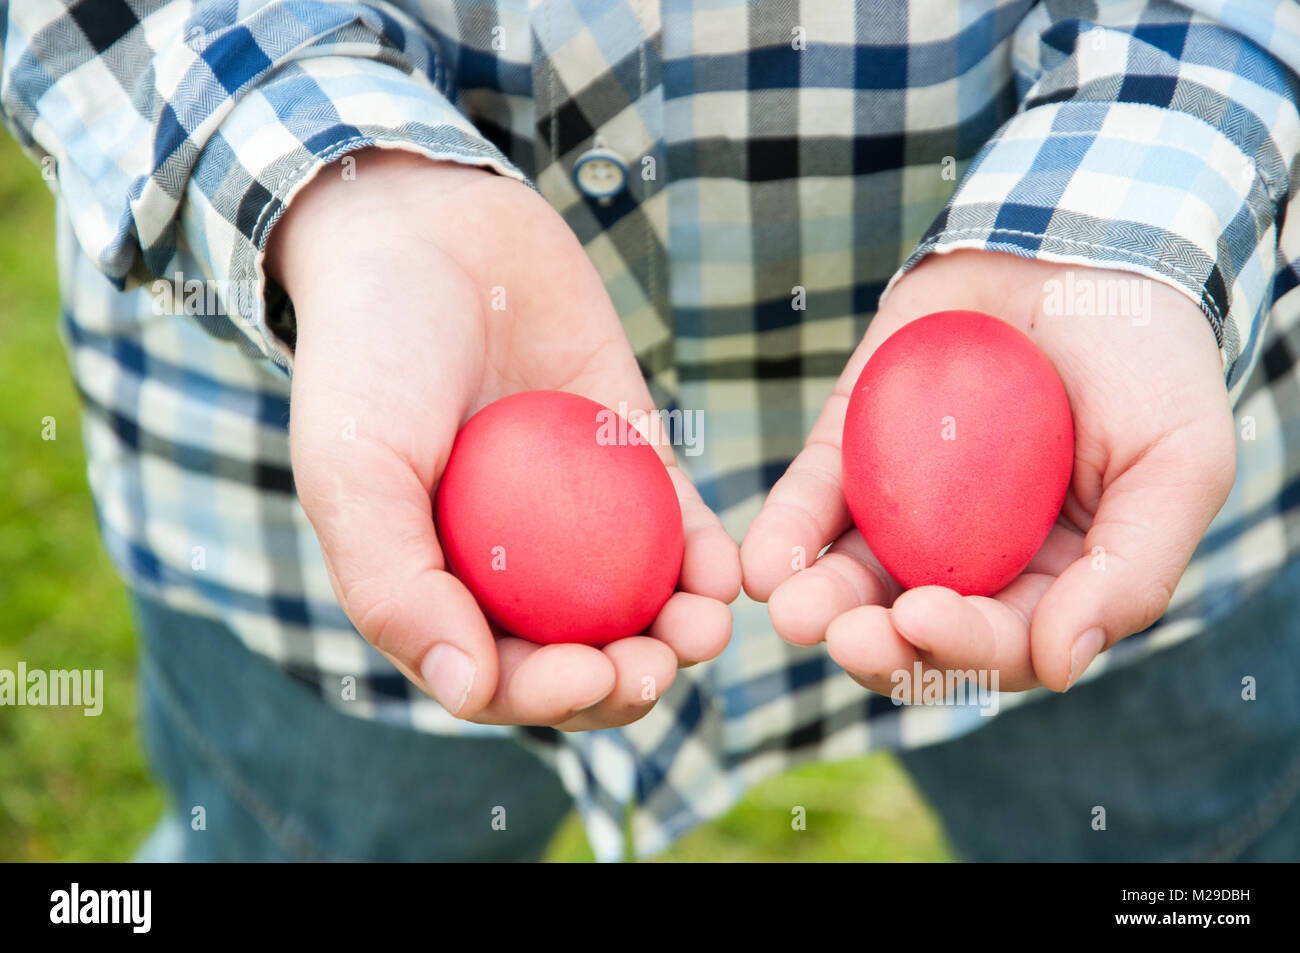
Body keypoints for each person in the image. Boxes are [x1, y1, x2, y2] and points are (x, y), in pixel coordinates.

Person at [3, 0, 1297, 862]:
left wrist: (1150, 192)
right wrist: (341, 192)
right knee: (296, 834)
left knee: (1194, 852)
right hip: (309, 496)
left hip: (1130, 515)